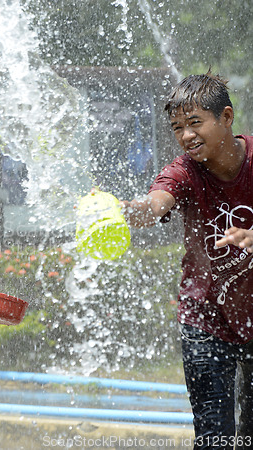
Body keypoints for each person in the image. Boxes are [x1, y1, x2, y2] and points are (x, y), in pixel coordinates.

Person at [121, 72, 253, 449]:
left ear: (226, 118)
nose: (186, 136)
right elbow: (156, 203)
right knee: (215, 440)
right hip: (205, 319)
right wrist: (129, 212)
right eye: (178, 127)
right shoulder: (183, 171)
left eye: (195, 123)